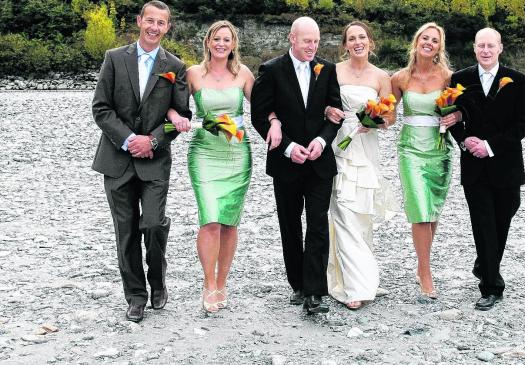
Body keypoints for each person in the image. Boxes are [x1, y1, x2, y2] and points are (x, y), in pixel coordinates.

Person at [91, 0, 190, 323]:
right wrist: (129, 139)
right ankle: (136, 296)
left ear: (167, 27)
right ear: (139, 21)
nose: (154, 28)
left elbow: (181, 115)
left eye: (161, 23)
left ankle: (158, 281)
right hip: (116, 161)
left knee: (151, 223)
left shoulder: (175, 65)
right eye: (150, 21)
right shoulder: (114, 59)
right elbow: (101, 108)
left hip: (155, 162)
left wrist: (153, 140)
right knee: (127, 232)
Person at [250, 17, 343, 315]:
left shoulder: (327, 70)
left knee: (317, 224)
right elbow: (259, 115)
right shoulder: (271, 70)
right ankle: (298, 284)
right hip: (286, 161)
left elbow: (335, 113)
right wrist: (288, 147)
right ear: (292, 38)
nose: (312, 47)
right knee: (289, 225)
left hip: (319, 162)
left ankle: (315, 292)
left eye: (316, 41)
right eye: (307, 41)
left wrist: (322, 141)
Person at [166, 20, 255, 313]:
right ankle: (208, 283)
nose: (221, 44)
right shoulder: (192, 73)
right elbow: (172, 104)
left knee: (229, 221)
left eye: (226, 40)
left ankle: (222, 281)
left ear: (233, 45)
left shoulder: (243, 73)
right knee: (210, 219)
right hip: (204, 152)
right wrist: (175, 117)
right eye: (216, 38)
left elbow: (267, 106)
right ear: (208, 42)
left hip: (236, 153)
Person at [446, 27, 525, 311]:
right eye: (480, 45)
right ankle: (491, 287)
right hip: (474, 165)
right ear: (474, 48)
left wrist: (490, 145)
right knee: (483, 224)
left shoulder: (519, 81)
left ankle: (485, 263)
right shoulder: (459, 80)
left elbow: (522, 125)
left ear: (500, 48)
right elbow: (449, 117)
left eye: (490, 46)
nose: (485, 50)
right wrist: (465, 139)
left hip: (506, 163)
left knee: (504, 216)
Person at [323, 21, 399, 310]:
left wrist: (377, 122)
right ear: (345, 45)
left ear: (370, 42)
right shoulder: (335, 71)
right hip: (340, 146)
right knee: (342, 211)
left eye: (362, 37)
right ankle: (353, 286)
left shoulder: (381, 77)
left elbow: (390, 117)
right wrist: (327, 111)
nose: (357, 42)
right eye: (351, 38)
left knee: (362, 213)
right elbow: (324, 104)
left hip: (366, 148)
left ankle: (365, 277)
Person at [391, 22, 454, 302]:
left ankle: (421, 264)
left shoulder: (448, 77)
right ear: (416, 41)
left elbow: (460, 111)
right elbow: (390, 114)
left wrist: (457, 117)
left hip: (439, 147)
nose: (429, 43)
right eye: (425, 38)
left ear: (440, 47)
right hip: (410, 149)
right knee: (419, 207)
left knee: (433, 210)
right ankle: (426, 272)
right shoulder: (401, 78)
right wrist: (374, 119)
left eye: (435, 40)